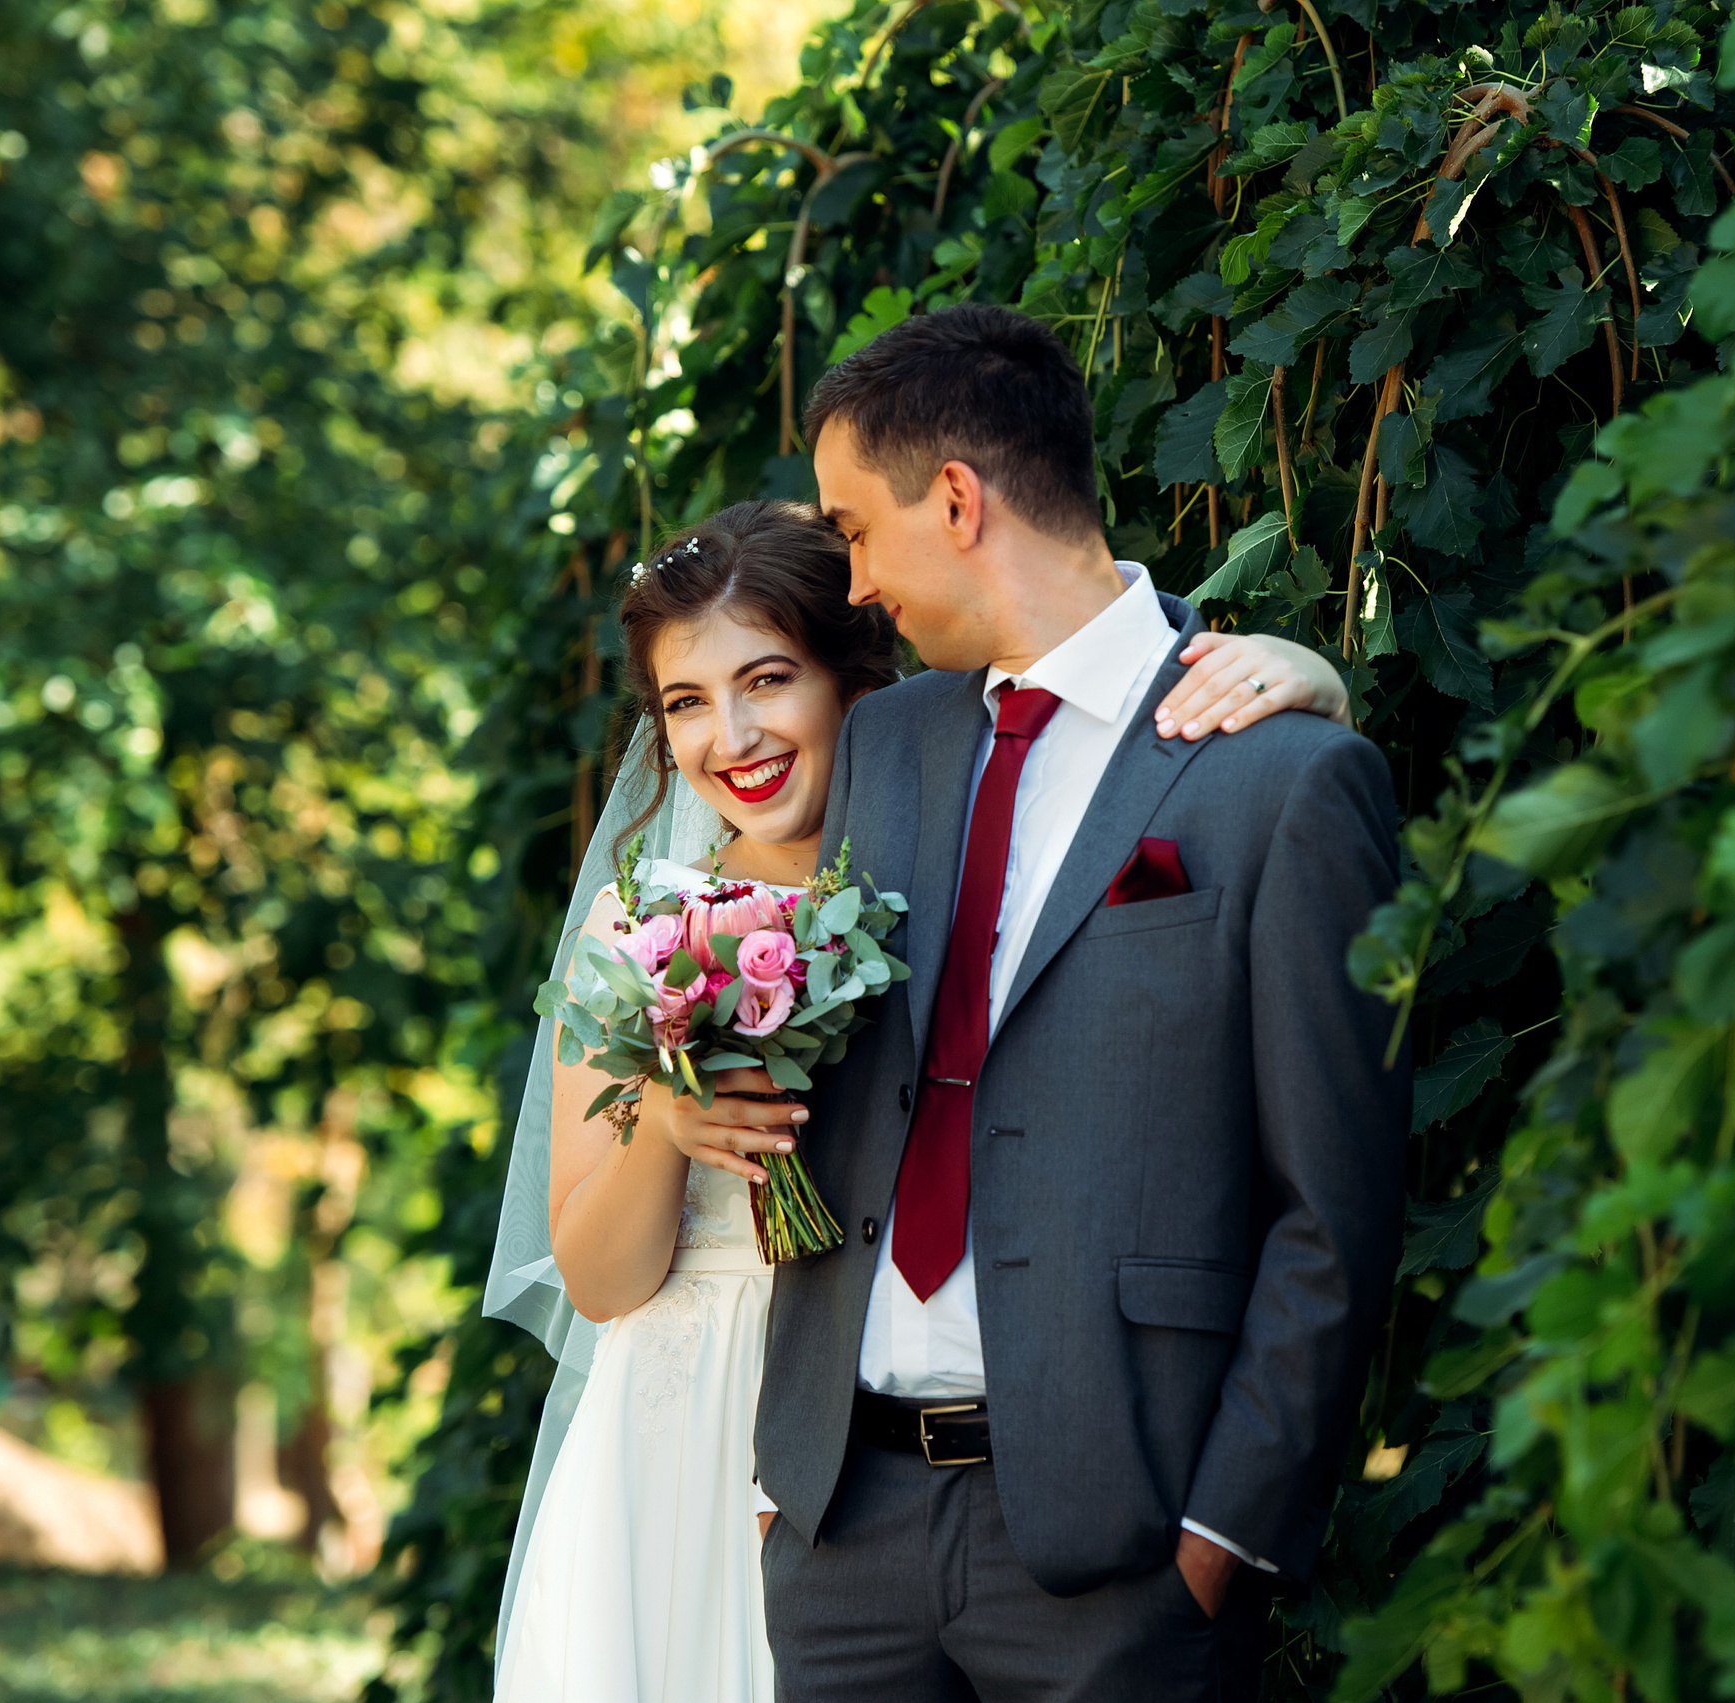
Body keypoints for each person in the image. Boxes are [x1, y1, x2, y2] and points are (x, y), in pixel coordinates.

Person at [484, 498, 1352, 1703]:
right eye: (685, 702)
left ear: (857, 680)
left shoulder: (942, 850)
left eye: (768, 679)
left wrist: (1302, 670)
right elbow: (599, 1280)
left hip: (916, 1438)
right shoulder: (644, 927)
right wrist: (671, 1129)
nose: (729, 735)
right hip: (681, 1438)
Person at [681, 305, 1410, 1703]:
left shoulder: (1280, 775)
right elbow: (759, 947)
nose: (851, 580)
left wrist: (1220, 1535)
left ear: (955, 499)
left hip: (1122, 1553)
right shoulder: (882, 744)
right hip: (844, 1537)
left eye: (853, 531)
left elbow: (1339, 1207)